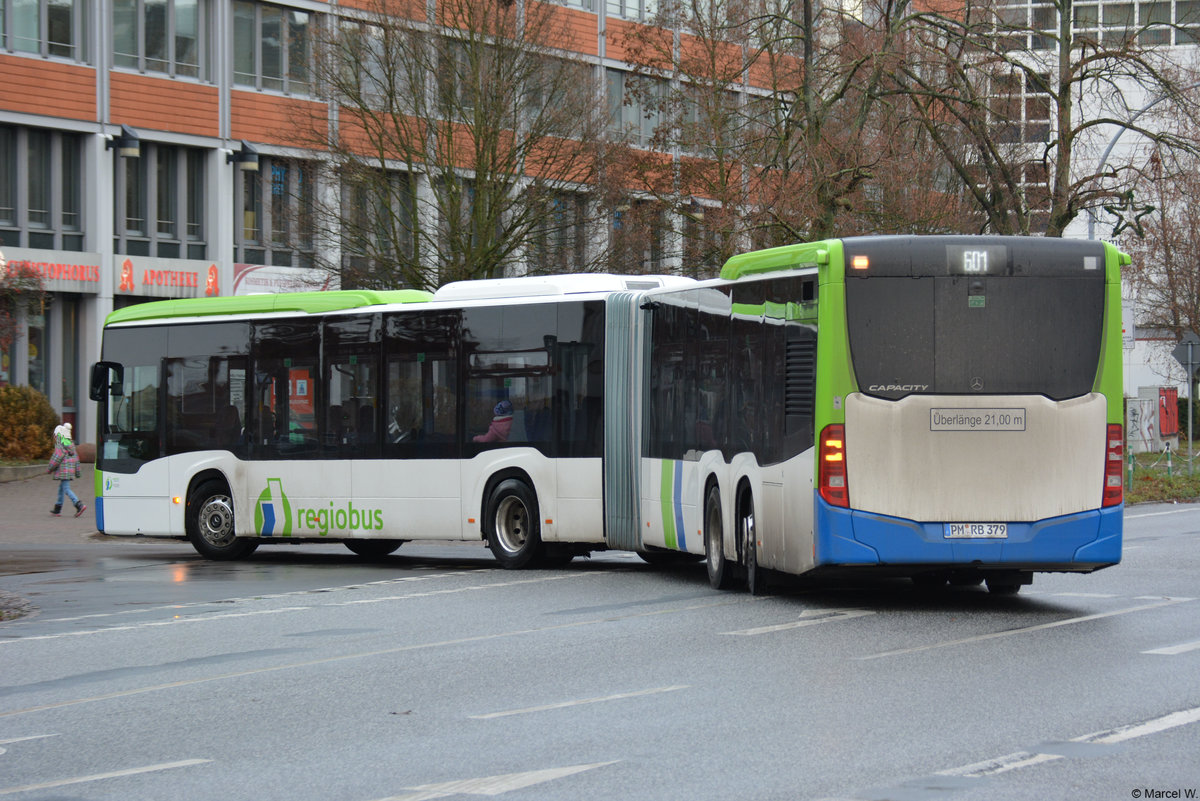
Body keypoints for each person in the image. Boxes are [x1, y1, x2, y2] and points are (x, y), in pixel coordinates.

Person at [48, 422, 86, 518]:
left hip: (63, 471)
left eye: (55, 436)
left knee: (66, 489)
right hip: (69, 471)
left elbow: (56, 458)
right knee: (61, 489)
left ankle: (78, 504)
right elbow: (76, 459)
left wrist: (50, 469)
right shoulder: (71, 444)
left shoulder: (60, 445)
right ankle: (57, 508)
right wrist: (77, 472)